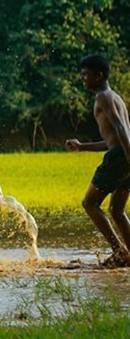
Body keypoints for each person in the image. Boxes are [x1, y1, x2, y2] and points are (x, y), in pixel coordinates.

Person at [65, 54, 130, 268]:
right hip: (123, 155)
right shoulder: (115, 97)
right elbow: (113, 139)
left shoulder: (103, 97)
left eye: (86, 75)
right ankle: (127, 256)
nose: (83, 79)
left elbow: (121, 129)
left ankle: (120, 252)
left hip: (121, 158)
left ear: (99, 76)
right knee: (116, 210)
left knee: (89, 203)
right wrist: (82, 146)